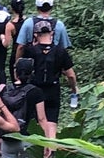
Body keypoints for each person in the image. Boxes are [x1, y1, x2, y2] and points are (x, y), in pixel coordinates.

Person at [17, 18, 79, 149]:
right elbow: (71, 75)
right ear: (52, 33)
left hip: (35, 89)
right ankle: (51, 152)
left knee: (38, 122)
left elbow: (23, 70)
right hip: (53, 89)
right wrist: (74, 89)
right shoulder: (60, 51)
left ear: (35, 34)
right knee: (51, 122)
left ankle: (38, 151)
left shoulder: (30, 51)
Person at [0, 56, 50, 158]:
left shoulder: (5, 90)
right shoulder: (36, 92)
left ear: (15, 73)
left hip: (8, 137)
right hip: (28, 138)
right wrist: (47, 141)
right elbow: (42, 118)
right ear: (32, 73)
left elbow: (1, 115)